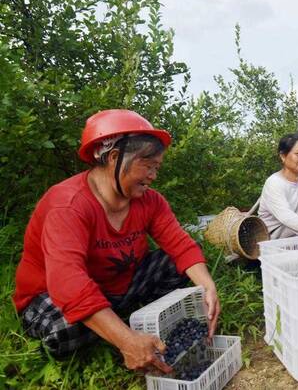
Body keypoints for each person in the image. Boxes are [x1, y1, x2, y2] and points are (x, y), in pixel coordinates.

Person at [13, 110, 221, 373]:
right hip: (52, 293)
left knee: (175, 264)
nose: (153, 176)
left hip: (116, 285)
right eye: (147, 165)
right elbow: (68, 282)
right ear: (114, 158)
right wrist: (126, 340)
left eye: (157, 167)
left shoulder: (150, 201)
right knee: (63, 333)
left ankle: (111, 317)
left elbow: (180, 244)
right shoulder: (68, 205)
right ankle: (114, 323)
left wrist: (207, 287)